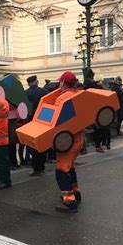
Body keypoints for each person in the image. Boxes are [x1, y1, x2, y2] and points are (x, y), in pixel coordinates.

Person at [55, 72, 84, 213]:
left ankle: (70, 202)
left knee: (61, 170)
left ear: (64, 83)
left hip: (66, 140)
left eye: (60, 82)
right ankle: (75, 192)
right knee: (70, 166)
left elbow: (56, 122)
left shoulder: (62, 98)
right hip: (79, 138)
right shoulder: (80, 95)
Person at [25, 75, 48, 176]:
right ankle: (42, 166)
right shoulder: (44, 92)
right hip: (42, 120)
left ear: (29, 83)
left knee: (32, 145)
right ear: (36, 81)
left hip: (30, 122)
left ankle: (35, 168)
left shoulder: (25, 93)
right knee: (42, 144)